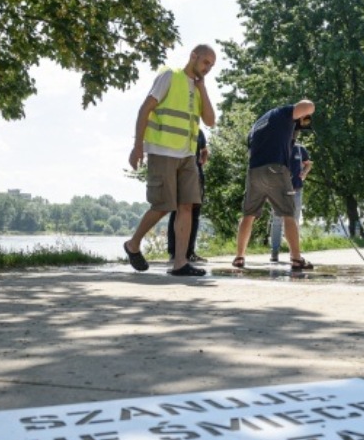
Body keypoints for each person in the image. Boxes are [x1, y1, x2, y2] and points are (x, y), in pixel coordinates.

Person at [123, 44, 216, 276]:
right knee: (164, 205)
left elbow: (210, 120)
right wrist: (138, 147)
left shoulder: (198, 87)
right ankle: (133, 244)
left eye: (212, 66)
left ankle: (180, 263)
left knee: (187, 205)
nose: (208, 68)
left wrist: (202, 88)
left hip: (187, 154)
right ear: (193, 56)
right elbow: (145, 109)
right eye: (205, 62)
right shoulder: (170, 76)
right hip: (163, 151)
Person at [233, 100, 316, 271]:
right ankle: (296, 258)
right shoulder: (283, 113)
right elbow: (308, 105)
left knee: (248, 214)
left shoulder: (259, 123)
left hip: (254, 171)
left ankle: (239, 257)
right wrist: (306, 113)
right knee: (288, 214)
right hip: (276, 169)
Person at [167, 129, 209, 263]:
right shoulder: (179, 127)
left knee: (194, 214)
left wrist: (204, 156)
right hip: (180, 174)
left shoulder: (199, 132)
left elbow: (204, 150)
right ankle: (175, 252)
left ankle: (189, 252)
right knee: (178, 212)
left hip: (196, 173)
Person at [269, 133, 312, 262]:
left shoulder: (300, 149)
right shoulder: (277, 148)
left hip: (296, 190)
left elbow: (308, 163)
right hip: (279, 190)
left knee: (294, 221)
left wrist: (304, 172)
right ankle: (274, 252)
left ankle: (294, 253)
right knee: (276, 221)